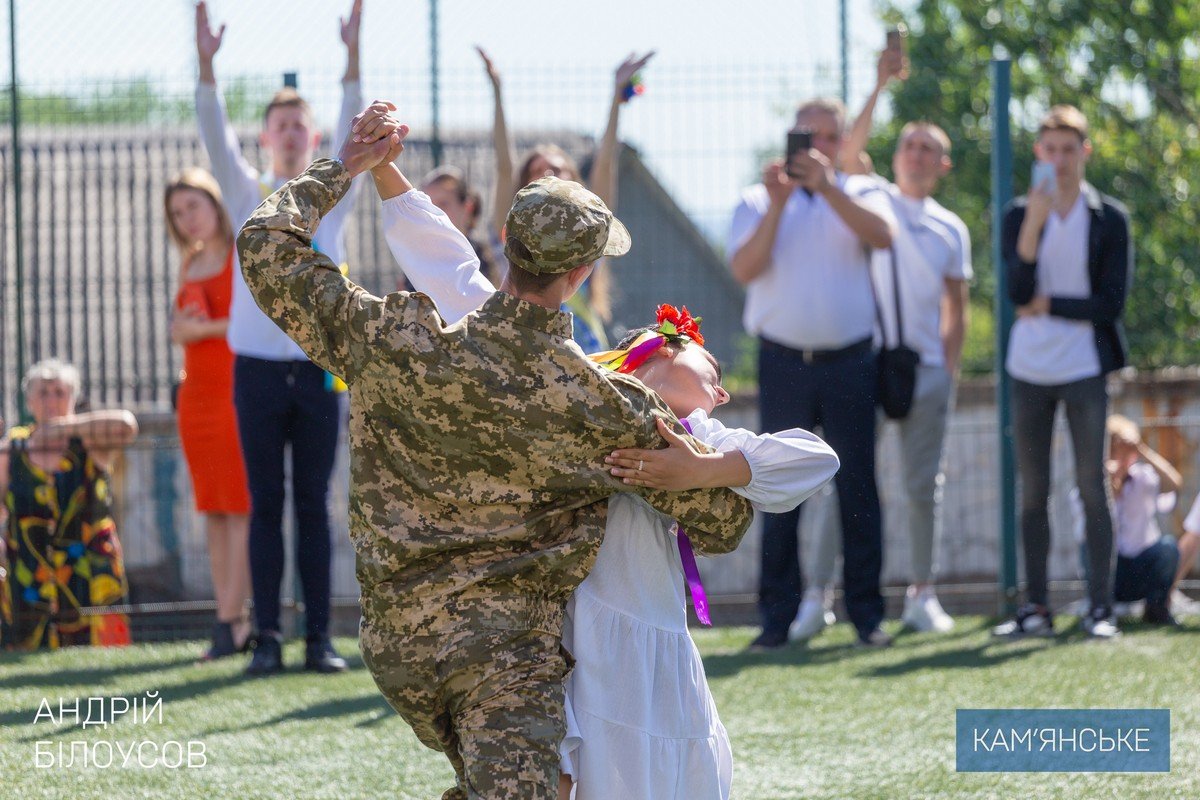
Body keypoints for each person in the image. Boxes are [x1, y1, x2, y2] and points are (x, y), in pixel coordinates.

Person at [239, 107, 754, 799]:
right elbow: (724, 522)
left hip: (398, 642)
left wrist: (348, 166)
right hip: (503, 658)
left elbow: (264, 243)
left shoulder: (397, 339)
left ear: (507, 242)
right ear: (581, 273)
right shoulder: (599, 403)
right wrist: (700, 460)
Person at [380, 180, 840, 797]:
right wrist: (390, 181)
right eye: (712, 369)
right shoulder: (566, 378)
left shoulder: (699, 437)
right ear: (657, 349)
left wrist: (701, 471)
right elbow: (460, 282)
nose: (721, 389)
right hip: (571, 639)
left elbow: (817, 459)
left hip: (655, 645)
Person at [194, 0, 366, 674]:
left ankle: (318, 639)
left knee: (315, 506)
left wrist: (352, 56)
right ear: (266, 137)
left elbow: (355, 131)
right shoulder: (248, 197)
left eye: (300, 125)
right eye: (280, 125)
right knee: (265, 502)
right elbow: (214, 136)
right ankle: (266, 638)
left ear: (313, 134)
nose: (291, 133)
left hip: (320, 368)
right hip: (257, 370)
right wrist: (206, 66)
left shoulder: (332, 197)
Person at [794, 46, 971, 639]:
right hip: (865, 363)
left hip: (925, 370)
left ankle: (922, 593)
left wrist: (948, 369)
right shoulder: (873, 198)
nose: (916, 154)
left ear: (943, 164)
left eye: (928, 148)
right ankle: (817, 595)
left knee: (923, 487)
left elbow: (957, 306)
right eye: (909, 145)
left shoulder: (951, 228)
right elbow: (845, 156)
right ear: (894, 158)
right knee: (840, 481)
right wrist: (878, 83)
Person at [728, 96, 897, 649]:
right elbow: (744, 268)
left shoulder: (861, 191)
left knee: (859, 489)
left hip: (851, 361)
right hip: (784, 363)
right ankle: (775, 620)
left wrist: (828, 188)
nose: (818, 147)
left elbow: (884, 236)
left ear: (843, 143)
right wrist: (780, 205)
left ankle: (867, 616)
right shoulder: (758, 199)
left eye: (829, 137)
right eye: (808, 136)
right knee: (775, 487)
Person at [994, 105, 1133, 640]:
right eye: (1050, 150)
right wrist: (1034, 222)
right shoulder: (1017, 215)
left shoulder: (1110, 217)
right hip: (1028, 368)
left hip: (1084, 367)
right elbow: (1016, 292)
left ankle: (1101, 608)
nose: (1059, 160)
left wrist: (1050, 304)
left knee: (1092, 485)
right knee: (1034, 491)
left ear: (1085, 152)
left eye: (1069, 150)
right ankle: (1035, 607)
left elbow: (1110, 303)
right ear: (1038, 153)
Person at [478, 47, 653, 352]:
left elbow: (605, 164)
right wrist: (497, 91)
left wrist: (617, 97)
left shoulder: (589, 232)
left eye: (558, 169)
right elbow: (504, 167)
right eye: (537, 171)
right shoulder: (511, 232)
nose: (549, 174)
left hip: (584, 350)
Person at [165, 167, 254, 660]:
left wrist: (197, 331)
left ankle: (234, 620)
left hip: (233, 392)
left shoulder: (241, 253)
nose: (187, 219)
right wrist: (183, 330)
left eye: (193, 206)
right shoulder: (190, 262)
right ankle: (228, 617)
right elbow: (185, 325)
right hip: (195, 395)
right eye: (178, 213)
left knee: (238, 508)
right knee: (213, 511)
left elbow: (252, 319)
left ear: (215, 202)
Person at [0, 360, 138, 650]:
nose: (51, 400)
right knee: (30, 654)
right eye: (43, 392)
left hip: (90, 567)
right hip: (30, 570)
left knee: (101, 652)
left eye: (59, 393)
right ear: (29, 401)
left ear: (73, 398)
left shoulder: (89, 439)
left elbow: (127, 426)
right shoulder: (13, 447)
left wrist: (62, 428)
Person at [1078, 415, 1182, 626]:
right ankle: (1100, 608)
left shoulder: (1143, 478)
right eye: (1118, 449)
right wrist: (1108, 488)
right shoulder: (1092, 484)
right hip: (1108, 570)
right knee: (1089, 546)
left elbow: (1174, 484)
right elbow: (1083, 532)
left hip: (1141, 566)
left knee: (1169, 547)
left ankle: (1156, 610)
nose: (1125, 455)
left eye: (1129, 449)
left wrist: (1142, 449)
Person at [418, 165, 504, 286]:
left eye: (443, 204)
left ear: (468, 207)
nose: (432, 212)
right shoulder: (416, 260)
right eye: (427, 205)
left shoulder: (483, 261)